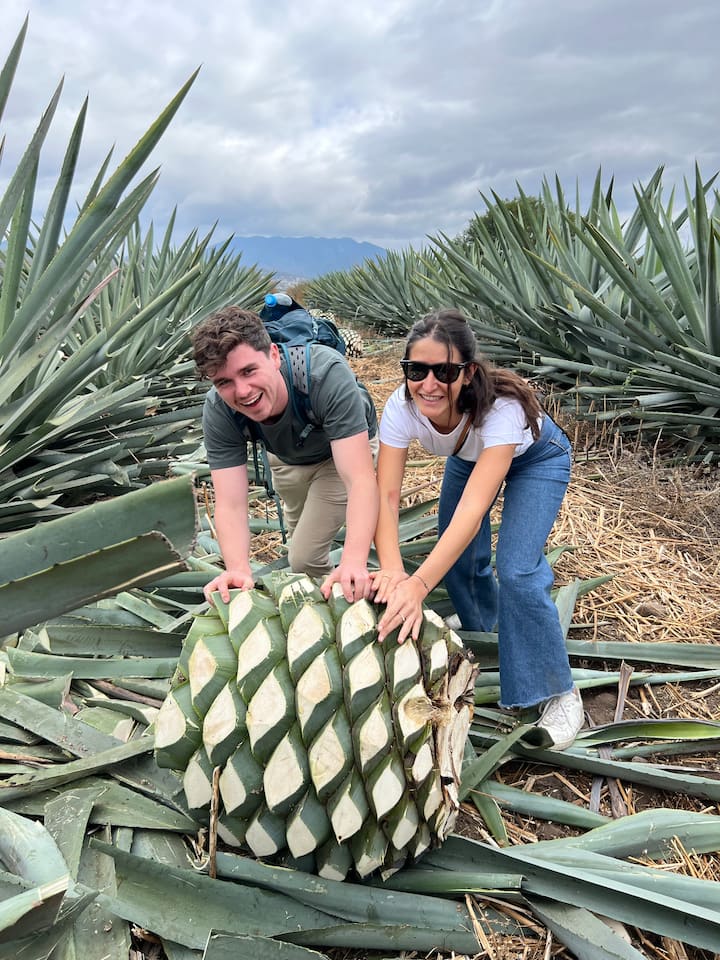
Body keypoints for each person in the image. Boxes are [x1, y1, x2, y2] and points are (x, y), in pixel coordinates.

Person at [371, 307, 583, 750]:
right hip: (469, 459)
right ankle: (491, 636)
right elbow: (386, 496)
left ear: (466, 373)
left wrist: (418, 586)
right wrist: (394, 571)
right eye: (416, 369)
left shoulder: (500, 410)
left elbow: (473, 511)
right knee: (462, 564)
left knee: (519, 570)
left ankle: (556, 690)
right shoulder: (400, 407)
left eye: (443, 371)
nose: (428, 384)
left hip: (536, 459)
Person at [191, 305, 379, 605]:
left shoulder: (324, 375)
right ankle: (316, 616)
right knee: (300, 551)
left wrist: (354, 561)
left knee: (303, 556)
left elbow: (359, 480)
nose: (242, 391)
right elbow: (230, 502)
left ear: (275, 356)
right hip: (286, 457)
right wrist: (238, 569)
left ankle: (356, 613)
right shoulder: (219, 409)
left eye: (248, 371)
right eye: (224, 382)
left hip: (342, 452)